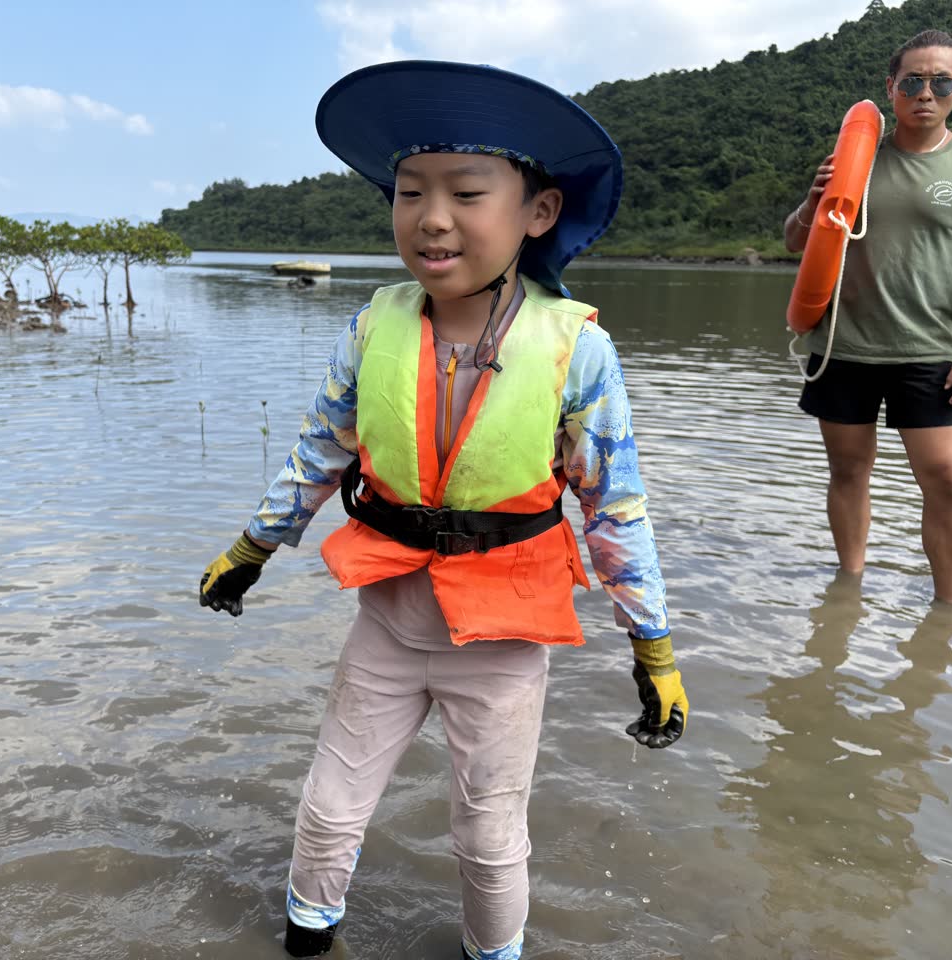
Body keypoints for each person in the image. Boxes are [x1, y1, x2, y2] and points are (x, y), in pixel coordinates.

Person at [199, 60, 688, 960]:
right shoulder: (372, 326)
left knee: (489, 840)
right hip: (388, 623)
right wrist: (250, 548)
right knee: (326, 811)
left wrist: (651, 646)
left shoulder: (578, 350)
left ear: (538, 211)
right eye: (410, 192)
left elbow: (614, 509)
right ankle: (306, 940)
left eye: (466, 193)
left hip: (502, 642)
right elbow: (320, 450)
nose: (432, 217)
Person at [784, 29, 952, 605]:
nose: (925, 93)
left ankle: (949, 610)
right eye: (912, 81)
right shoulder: (854, 161)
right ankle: (848, 591)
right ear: (891, 87)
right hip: (843, 347)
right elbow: (795, 241)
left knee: (948, 480)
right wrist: (812, 204)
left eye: (940, 82)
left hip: (929, 351)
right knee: (847, 472)